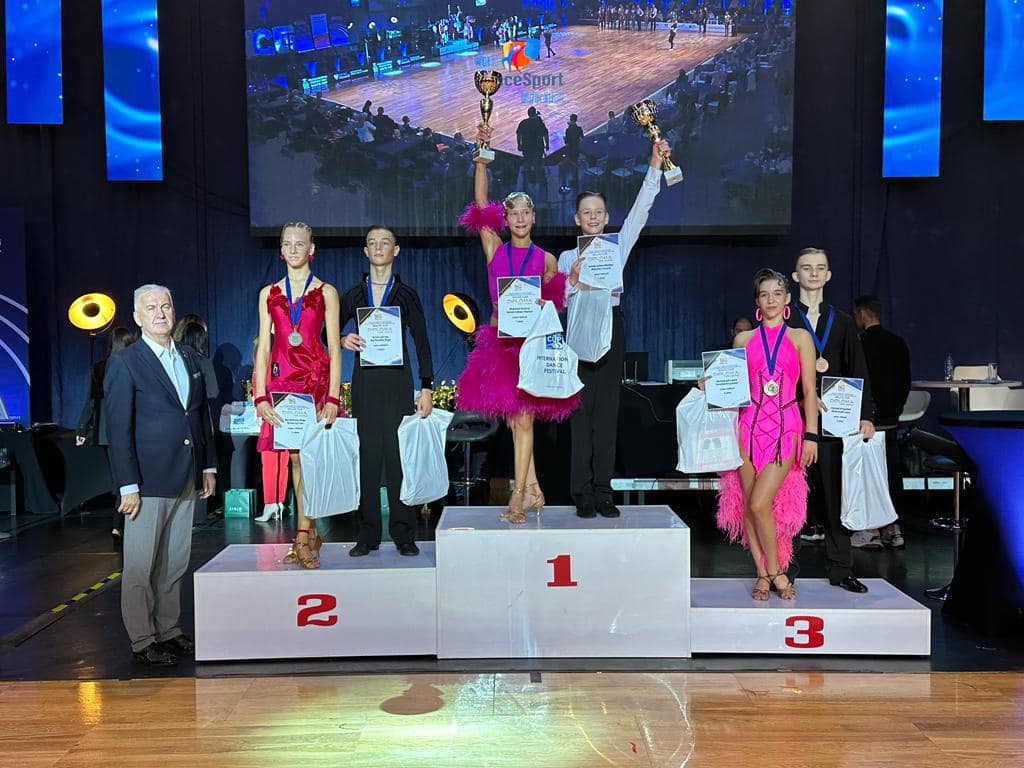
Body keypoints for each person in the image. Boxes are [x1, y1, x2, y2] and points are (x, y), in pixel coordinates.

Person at [456, 123, 578, 523]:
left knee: (524, 419)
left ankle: (518, 495)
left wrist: (553, 297)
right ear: (505, 219)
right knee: (514, 421)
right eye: (514, 213)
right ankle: (535, 487)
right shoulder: (494, 248)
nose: (520, 218)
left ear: (534, 218)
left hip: (531, 346)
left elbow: (554, 308)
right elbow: (479, 203)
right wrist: (481, 158)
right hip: (500, 345)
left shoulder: (546, 259)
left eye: (526, 212)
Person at [103, 285, 217, 666]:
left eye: (165, 305)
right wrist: (127, 485)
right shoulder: (125, 363)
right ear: (137, 317)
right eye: (150, 307)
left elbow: (198, 414)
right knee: (140, 565)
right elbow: (118, 429)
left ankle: (168, 629)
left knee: (175, 560)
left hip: (186, 475)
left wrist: (208, 465)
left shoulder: (189, 356)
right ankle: (142, 639)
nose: (160, 313)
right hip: (146, 482)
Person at [558, 139, 669, 518]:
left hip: (611, 326)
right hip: (577, 331)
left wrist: (654, 166)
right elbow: (559, 302)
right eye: (586, 212)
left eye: (598, 212)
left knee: (607, 414)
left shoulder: (617, 246)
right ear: (576, 219)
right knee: (580, 415)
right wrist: (571, 282)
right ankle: (581, 492)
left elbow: (641, 210)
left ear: (606, 217)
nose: (592, 217)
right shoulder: (566, 257)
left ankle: (604, 492)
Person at [713, 269, 818, 601]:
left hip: (787, 430)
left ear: (787, 299)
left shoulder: (801, 338)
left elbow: (809, 391)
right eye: (764, 294)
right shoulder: (743, 341)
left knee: (760, 503)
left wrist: (812, 435)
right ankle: (762, 573)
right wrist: (709, 384)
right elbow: (732, 389)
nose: (771, 300)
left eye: (777, 293)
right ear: (757, 302)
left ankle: (776, 571)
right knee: (749, 505)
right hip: (747, 429)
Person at [340, 225, 434, 557]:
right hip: (365, 383)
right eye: (372, 243)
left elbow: (422, 341)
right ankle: (367, 534)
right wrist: (341, 339)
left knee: (398, 458)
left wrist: (426, 386)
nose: (378, 248)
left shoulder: (406, 294)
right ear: (365, 251)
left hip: (398, 382)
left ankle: (403, 532)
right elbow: (324, 332)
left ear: (396, 250)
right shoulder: (354, 294)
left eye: (385, 243)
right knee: (367, 457)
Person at [253, 222, 342, 569]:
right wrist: (260, 395)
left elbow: (334, 348)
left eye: (299, 244)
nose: (293, 249)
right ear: (281, 250)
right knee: (294, 459)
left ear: (311, 249)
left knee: (311, 459)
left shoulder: (326, 292)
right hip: (282, 383)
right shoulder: (268, 293)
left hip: (315, 383)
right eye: (287, 244)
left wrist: (333, 397)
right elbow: (264, 347)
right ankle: (308, 532)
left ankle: (303, 535)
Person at [787, 247, 876, 593]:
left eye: (819, 268)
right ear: (795, 276)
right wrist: (802, 398)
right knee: (791, 498)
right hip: (794, 422)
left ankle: (841, 569)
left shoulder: (842, 321)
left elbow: (859, 370)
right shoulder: (786, 320)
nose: (813, 273)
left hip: (836, 424)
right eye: (806, 267)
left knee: (837, 498)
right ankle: (785, 569)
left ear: (828, 276)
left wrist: (866, 415)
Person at [854, 294, 911, 549]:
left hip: (868, 422)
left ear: (862, 314)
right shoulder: (898, 343)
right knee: (892, 473)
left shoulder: (859, 344)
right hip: (892, 419)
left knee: (868, 475)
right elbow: (906, 380)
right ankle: (895, 529)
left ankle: (871, 530)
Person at [76, 326, 138, 542]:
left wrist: (82, 428)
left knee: (119, 477)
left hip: (104, 431)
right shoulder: (131, 366)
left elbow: (91, 402)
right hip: (127, 428)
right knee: (126, 477)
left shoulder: (99, 368)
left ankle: (119, 524)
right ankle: (119, 524)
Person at [516, 107, 549, 186]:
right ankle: (539, 182)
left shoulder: (523, 123)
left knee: (527, 163)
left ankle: (526, 184)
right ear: (534, 113)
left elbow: (519, 134)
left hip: (527, 147)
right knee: (538, 164)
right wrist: (547, 144)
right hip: (538, 147)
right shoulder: (539, 123)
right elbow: (545, 134)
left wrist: (519, 144)